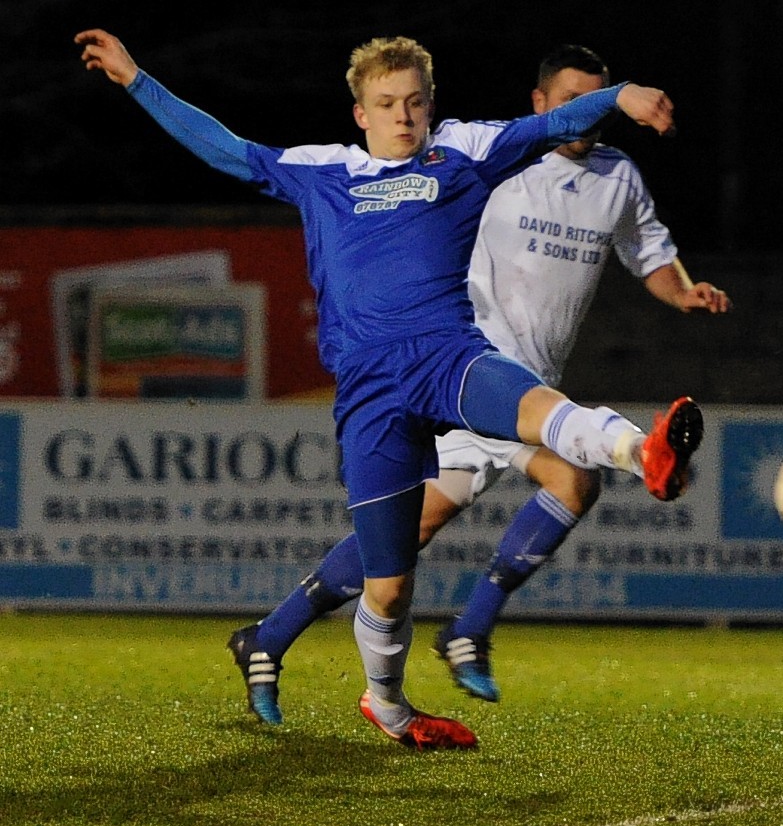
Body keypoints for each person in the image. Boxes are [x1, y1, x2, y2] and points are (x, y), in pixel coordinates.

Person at [78, 29, 705, 751]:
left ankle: (642, 452)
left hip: (447, 355)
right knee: (390, 586)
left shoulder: (462, 154)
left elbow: (549, 124)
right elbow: (224, 147)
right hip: (371, 393)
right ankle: (389, 706)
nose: (402, 116)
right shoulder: (323, 172)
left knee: (537, 409)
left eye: (413, 102)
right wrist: (135, 80)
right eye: (386, 104)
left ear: (429, 105)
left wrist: (618, 98)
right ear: (360, 114)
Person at [223, 44, 731, 726]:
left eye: (597, 101)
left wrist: (684, 293)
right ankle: (465, 630)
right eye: (574, 101)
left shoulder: (616, 178)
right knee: (562, 482)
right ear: (542, 104)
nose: (587, 117)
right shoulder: (484, 159)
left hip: (506, 374)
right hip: (455, 372)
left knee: (410, 541)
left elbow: (650, 256)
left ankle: (279, 637)